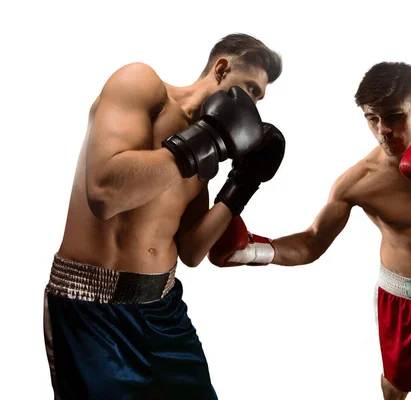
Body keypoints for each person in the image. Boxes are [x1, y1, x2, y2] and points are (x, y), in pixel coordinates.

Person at [208, 62, 411, 400]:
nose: (383, 131)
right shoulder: (360, 181)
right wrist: (254, 251)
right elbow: (312, 242)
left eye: (394, 116)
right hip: (395, 301)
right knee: (394, 387)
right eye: (372, 118)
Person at [43, 33, 286, 400]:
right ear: (221, 69)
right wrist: (207, 140)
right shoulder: (140, 84)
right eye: (250, 90)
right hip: (92, 312)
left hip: (165, 312)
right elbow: (105, 193)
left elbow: (190, 250)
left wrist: (242, 184)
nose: (252, 106)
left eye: (258, 98)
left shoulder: (208, 150)